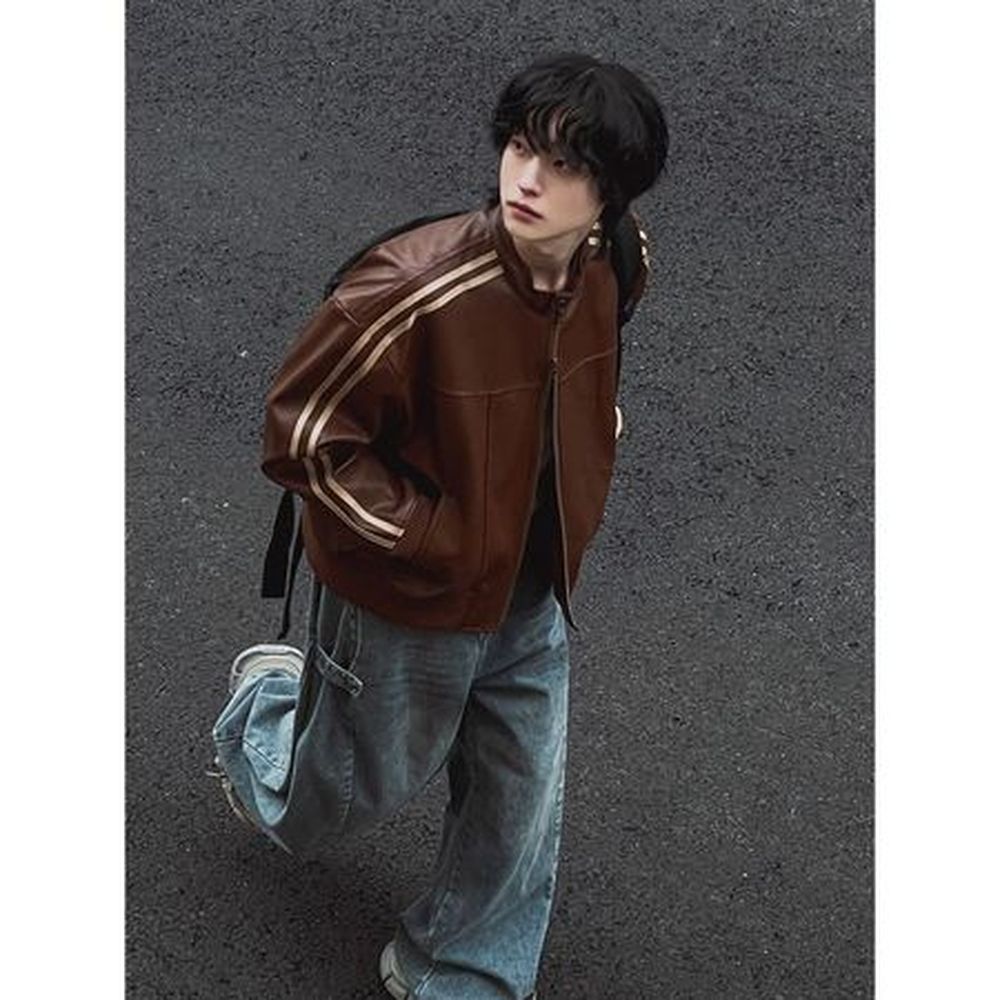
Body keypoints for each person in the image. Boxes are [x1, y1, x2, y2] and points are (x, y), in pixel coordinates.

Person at [210, 50, 668, 1000]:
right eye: (520, 148)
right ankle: (266, 708)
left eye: (564, 165)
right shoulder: (408, 291)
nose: (528, 179)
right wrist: (430, 537)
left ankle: (461, 968)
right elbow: (303, 439)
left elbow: (596, 354)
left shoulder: (615, 263)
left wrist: (593, 431)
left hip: (530, 589)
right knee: (334, 802)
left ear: (609, 194)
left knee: (519, 797)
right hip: (405, 599)